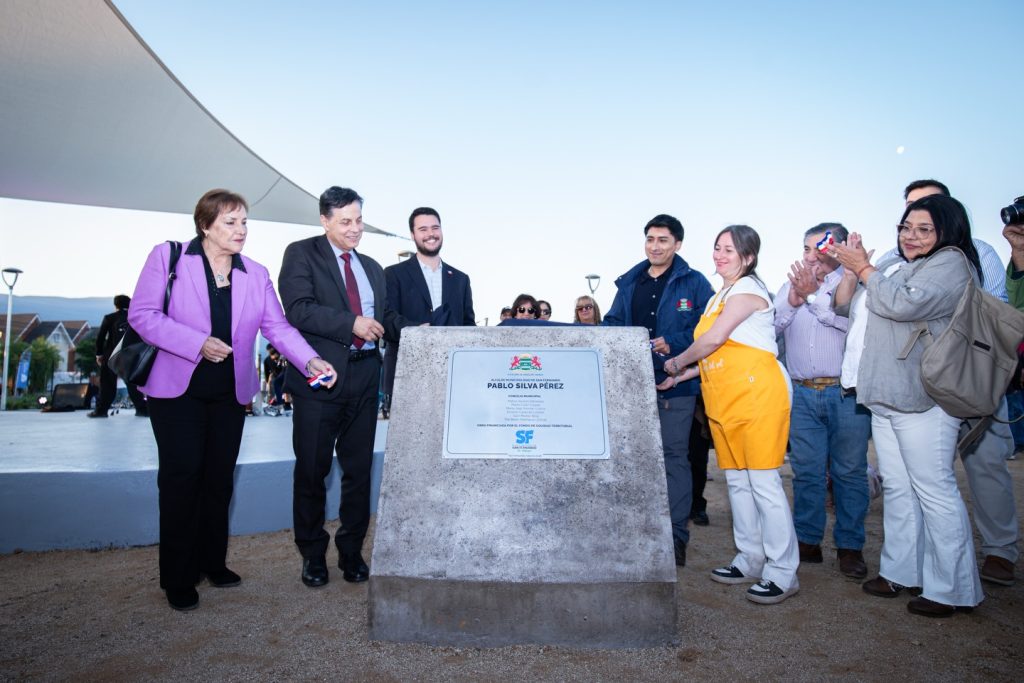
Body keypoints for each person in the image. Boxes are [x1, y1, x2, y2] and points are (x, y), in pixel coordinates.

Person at [128, 189, 336, 611]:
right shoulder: (168, 257)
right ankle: (179, 575)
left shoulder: (255, 273)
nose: (241, 230)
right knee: (182, 478)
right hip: (177, 391)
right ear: (205, 225)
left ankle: (212, 562)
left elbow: (277, 327)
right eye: (230, 222)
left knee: (219, 480)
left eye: (244, 222)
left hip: (229, 394)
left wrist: (310, 359)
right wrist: (197, 343)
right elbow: (143, 315)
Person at [831, 193, 985, 617]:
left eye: (924, 229)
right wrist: (859, 270)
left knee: (933, 489)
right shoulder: (900, 265)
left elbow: (903, 303)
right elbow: (850, 308)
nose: (911, 236)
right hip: (887, 394)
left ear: (947, 231)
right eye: (906, 227)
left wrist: (865, 268)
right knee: (899, 487)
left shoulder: (951, 263)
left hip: (924, 396)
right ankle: (901, 571)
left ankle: (951, 589)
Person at [882, 180, 1017, 587]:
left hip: (967, 374)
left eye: (926, 206)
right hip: (915, 381)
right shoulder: (894, 258)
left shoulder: (974, 253)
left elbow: (995, 311)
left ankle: (999, 550)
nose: (915, 217)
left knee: (984, 463)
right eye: (909, 209)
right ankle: (917, 566)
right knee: (916, 478)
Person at [661, 225, 799, 604]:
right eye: (717, 248)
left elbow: (713, 339)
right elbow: (714, 353)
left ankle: (783, 571)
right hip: (725, 397)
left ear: (748, 257)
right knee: (738, 482)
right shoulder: (717, 296)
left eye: (730, 250)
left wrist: (676, 363)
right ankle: (749, 558)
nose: (720, 255)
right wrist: (682, 376)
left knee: (764, 483)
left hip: (757, 393)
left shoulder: (748, 290)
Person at [279, 186, 389, 588]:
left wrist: (419, 329)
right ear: (324, 220)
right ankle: (312, 555)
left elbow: (386, 317)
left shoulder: (373, 267)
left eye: (359, 220)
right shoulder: (301, 253)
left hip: (365, 376)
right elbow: (298, 309)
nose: (355, 228)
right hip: (320, 380)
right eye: (345, 221)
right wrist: (351, 323)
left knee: (359, 471)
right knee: (312, 470)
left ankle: (351, 551)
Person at [604, 214, 714, 567]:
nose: (655, 246)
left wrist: (675, 343)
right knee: (631, 458)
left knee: (673, 457)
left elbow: (709, 329)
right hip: (631, 386)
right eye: (650, 239)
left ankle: (676, 536)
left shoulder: (695, 283)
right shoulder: (628, 283)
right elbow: (612, 325)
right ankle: (635, 532)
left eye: (663, 240)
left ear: (677, 244)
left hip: (677, 384)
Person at [774, 223, 871, 579]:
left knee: (849, 472)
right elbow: (771, 329)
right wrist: (795, 300)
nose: (812, 255)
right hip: (801, 393)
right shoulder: (790, 284)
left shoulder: (856, 284)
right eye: (806, 248)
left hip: (846, 394)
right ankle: (807, 541)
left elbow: (856, 329)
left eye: (821, 247)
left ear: (840, 248)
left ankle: (850, 547)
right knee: (806, 472)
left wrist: (815, 298)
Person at [382, 207, 475, 415]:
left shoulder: (461, 279)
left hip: (451, 376)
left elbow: (469, 325)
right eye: (423, 229)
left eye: (435, 228)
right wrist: (418, 331)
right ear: (412, 234)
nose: (430, 234)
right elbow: (386, 319)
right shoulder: (393, 274)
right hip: (406, 373)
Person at [91, 294, 148, 417]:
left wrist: (99, 354)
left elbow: (100, 338)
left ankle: (101, 411)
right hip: (130, 355)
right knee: (132, 383)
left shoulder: (109, 318)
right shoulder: (134, 317)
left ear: (116, 305)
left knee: (107, 384)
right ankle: (142, 409)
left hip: (111, 355)